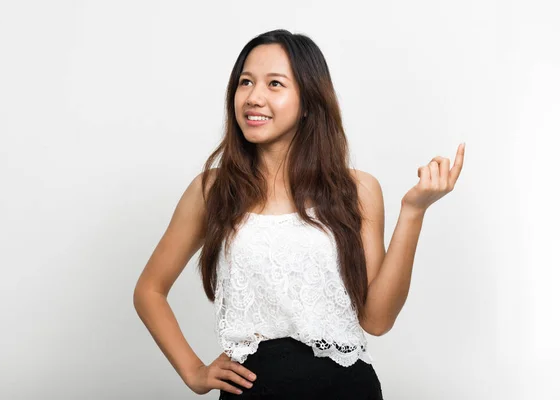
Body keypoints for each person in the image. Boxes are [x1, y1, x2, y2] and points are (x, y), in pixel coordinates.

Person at [133, 29, 465, 399]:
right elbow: (149, 289)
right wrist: (194, 372)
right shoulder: (213, 190)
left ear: (308, 100)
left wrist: (413, 212)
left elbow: (377, 319)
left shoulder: (357, 190)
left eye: (275, 84)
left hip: (346, 390)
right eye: (246, 82)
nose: (254, 97)